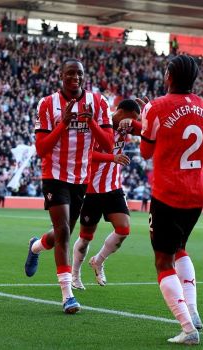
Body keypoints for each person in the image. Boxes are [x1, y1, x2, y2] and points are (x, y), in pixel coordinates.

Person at [24, 58, 114, 314]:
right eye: (70, 73)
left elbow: (108, 144)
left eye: (80, 73)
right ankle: (67, 295)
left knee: (63, 233)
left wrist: (91, 123)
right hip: (53, 174)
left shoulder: (98, 103)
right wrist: (63, 123)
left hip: (80, 178)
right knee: (63, 231)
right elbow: (41, 149)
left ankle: (36, 246)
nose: (76, 77)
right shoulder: (47, 104)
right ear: (61, 75)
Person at [140, 55, 203, 345]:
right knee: (181, 248)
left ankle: (187, 328)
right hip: (196, 191)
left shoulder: (155, 107)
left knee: (163, 261)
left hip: (168, 192)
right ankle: (193, 313)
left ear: (169, 75)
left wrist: (143, 122)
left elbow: (146, 152)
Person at [72, 99, 141, 289]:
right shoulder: (99, 124)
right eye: (132, 118)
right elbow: (87, 155)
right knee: (86, 237)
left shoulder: (125, 128)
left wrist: (148, 113)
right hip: (91, 189)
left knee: (124, 229)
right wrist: (112, 157)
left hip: (113, 187)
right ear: (121, 112)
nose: (132, 122)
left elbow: (148, 131)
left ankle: (98, 261)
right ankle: (75, 274)